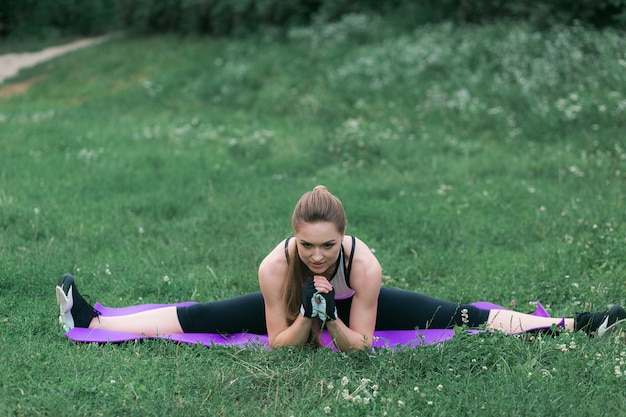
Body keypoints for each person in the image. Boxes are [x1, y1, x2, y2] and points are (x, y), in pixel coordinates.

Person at [56, 185, 626, 352]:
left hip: (348, 313)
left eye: (327, 245)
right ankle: (93, 321)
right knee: (207, 315)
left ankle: (569, 326)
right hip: (298, 310)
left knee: (457, 314)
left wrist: (333, 321)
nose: (318, 255)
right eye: (308, 245)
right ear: (295, 238)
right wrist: (308, 316)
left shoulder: (366, 265)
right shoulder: (276, 268)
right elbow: (281, 344)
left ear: (343, 238)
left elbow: (363, 346)